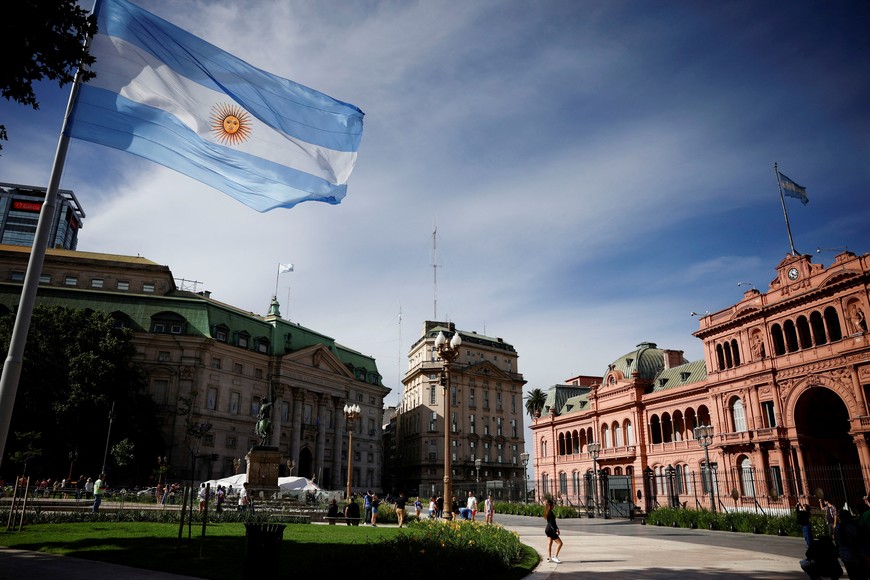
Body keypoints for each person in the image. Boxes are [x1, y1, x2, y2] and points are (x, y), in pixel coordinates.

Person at [544, 498, 563, 564]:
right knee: (560, 543)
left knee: (549, 543)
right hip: (551, 529)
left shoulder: (547, 512)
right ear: (551, 506)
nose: (554, 506)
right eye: (553, 505)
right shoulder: (551, 513)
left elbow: (550, 522)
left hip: (547, 529)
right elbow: (553, 523)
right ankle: (555, 556)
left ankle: (549, 557)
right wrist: (556, 529)